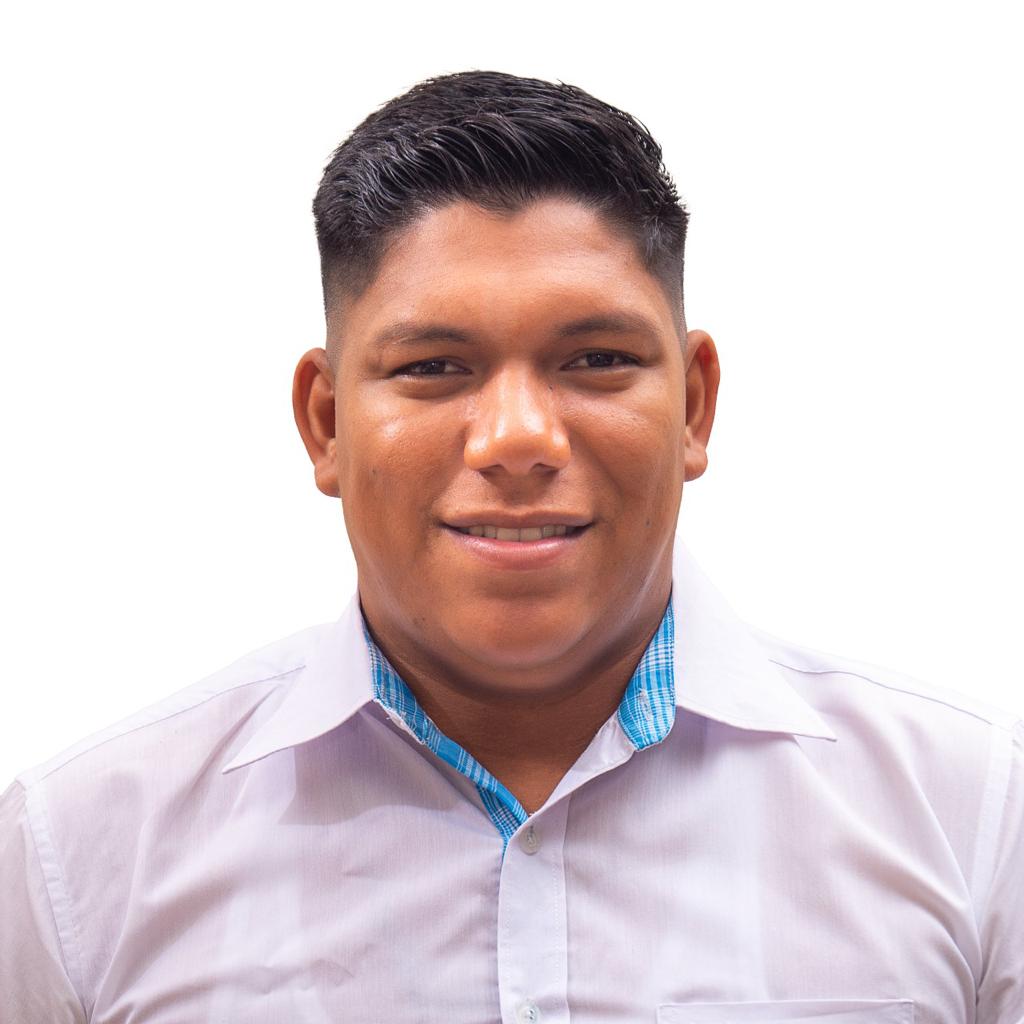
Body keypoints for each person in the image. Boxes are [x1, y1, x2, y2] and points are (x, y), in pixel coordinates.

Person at [1, 69, 1020, 1024]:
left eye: (597, 358)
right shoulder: (75, 857)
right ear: (326, 423)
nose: (518, 439)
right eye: (434, 366)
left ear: (694, 406)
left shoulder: (973, 820)